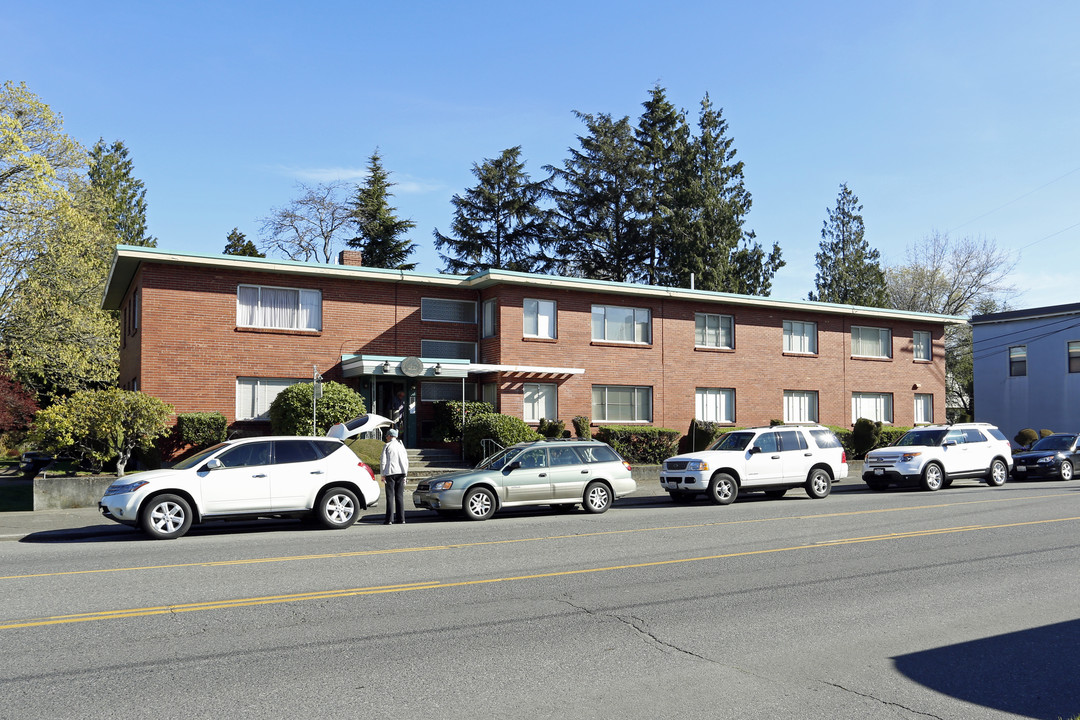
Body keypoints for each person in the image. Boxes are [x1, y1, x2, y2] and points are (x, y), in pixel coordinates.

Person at [379, 427, 409, 525]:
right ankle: (401, 519)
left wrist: (382, 474)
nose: (386, 437)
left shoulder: (387, 446)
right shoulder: (401, 446)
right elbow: (405, 461)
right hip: (401, 472)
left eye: (387, 436)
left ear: (389, 436)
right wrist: (405, 474)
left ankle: (389, 520)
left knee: (390, 496)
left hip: (390, 473)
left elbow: (383, 461)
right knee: (399, 496)